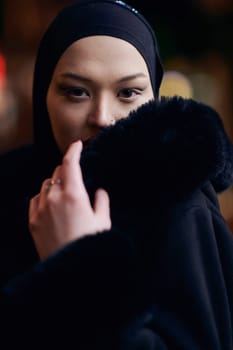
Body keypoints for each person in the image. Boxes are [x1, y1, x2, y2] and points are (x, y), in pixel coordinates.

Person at [0, 1, 232, 349]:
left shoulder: (181, 206)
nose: (103, 117)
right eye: (76, 91)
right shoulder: (8, 193)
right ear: (42, 95)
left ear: (154, 96)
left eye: (128, 93)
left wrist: (77, 260)